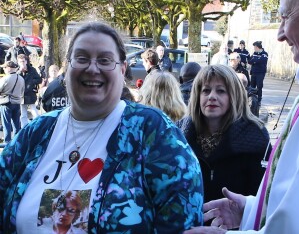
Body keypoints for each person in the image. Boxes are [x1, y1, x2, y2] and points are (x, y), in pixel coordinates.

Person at [0, 22, 203, 233]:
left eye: (105, 60)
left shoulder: (154, 132)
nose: (92, 68)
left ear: (123, 69)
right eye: (81, 58)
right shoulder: (37, 131)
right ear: (67, 67)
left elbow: (182, 219)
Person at [182, 0, 299, 234]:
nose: (279, 34)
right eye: (205, 91)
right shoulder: (180, 136)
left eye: (284, 17)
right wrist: (249, 210)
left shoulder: (253, 137)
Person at [176, 64, 270, 204]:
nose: (212, 96)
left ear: (234, 96)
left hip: (236, 224)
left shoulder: (256, 137)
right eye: (206, 90)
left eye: (220, 91)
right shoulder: (177, 136)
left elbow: (262, 199)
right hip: (191, 224)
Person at [0, 61, 25, 142]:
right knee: (16, 124)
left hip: (6, 103)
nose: (3, 69)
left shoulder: (5, 78)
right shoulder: (21, 79)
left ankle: (7, 142)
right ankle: (16, 141)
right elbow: (22, 92)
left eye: (4, 67)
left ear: (9, 68)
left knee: (6, 124)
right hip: (17, 103)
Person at [17, 54, 42, 127]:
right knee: (23, 114)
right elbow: (15, 79)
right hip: (22, 94)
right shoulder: (17, 70)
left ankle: (37, 126)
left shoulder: (32, 69)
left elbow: (39, 80)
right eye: (20, 62)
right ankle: (24, 128)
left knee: (34, 112)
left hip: (30, 93)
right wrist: (20, 72)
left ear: (26, 61)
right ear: (18, 62)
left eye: (23, 61)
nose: (22, 63)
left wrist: (31, 82)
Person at [249, 41, 268, 106]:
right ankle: (251, 100)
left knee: (259, 87)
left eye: (254, 47)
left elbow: (262, 60)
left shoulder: (264, 53)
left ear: (257, 47)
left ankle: (259, 100)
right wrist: (256, 60)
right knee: (252, 87)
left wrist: (255, 60)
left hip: (260, 73)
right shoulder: (254, 53)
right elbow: (249, 61)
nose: (254, 48)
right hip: (254, 72)